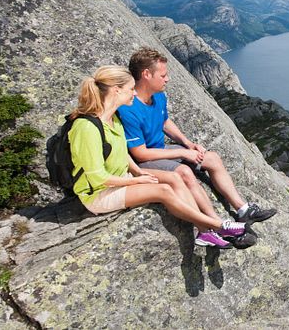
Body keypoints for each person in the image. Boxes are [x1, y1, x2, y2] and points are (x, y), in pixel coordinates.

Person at [68, 66, 251, 249]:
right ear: (117, 90)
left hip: (122, 178)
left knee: (175, 177)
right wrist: (136, 181)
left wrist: (138, 172)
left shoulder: (112, 119)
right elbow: (97, 177)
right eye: (131, 89)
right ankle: (217, 226)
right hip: (99, 194)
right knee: (163, 191)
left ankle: (205, 232)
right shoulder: (86, 128)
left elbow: (121, 152)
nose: (134, 93)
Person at [117, 47, 276, 226]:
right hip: (145, 160)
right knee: (185, 172)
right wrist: (184, 154)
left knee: (212, 159)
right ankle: (217, 224)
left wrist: (188, 144)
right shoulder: (128, 108)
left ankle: (243, 210)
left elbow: (164, 122)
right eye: (163, 76)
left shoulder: (158, 96)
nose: (167, 79)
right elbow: (140, 154)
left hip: (160, 150)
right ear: (146, 74)